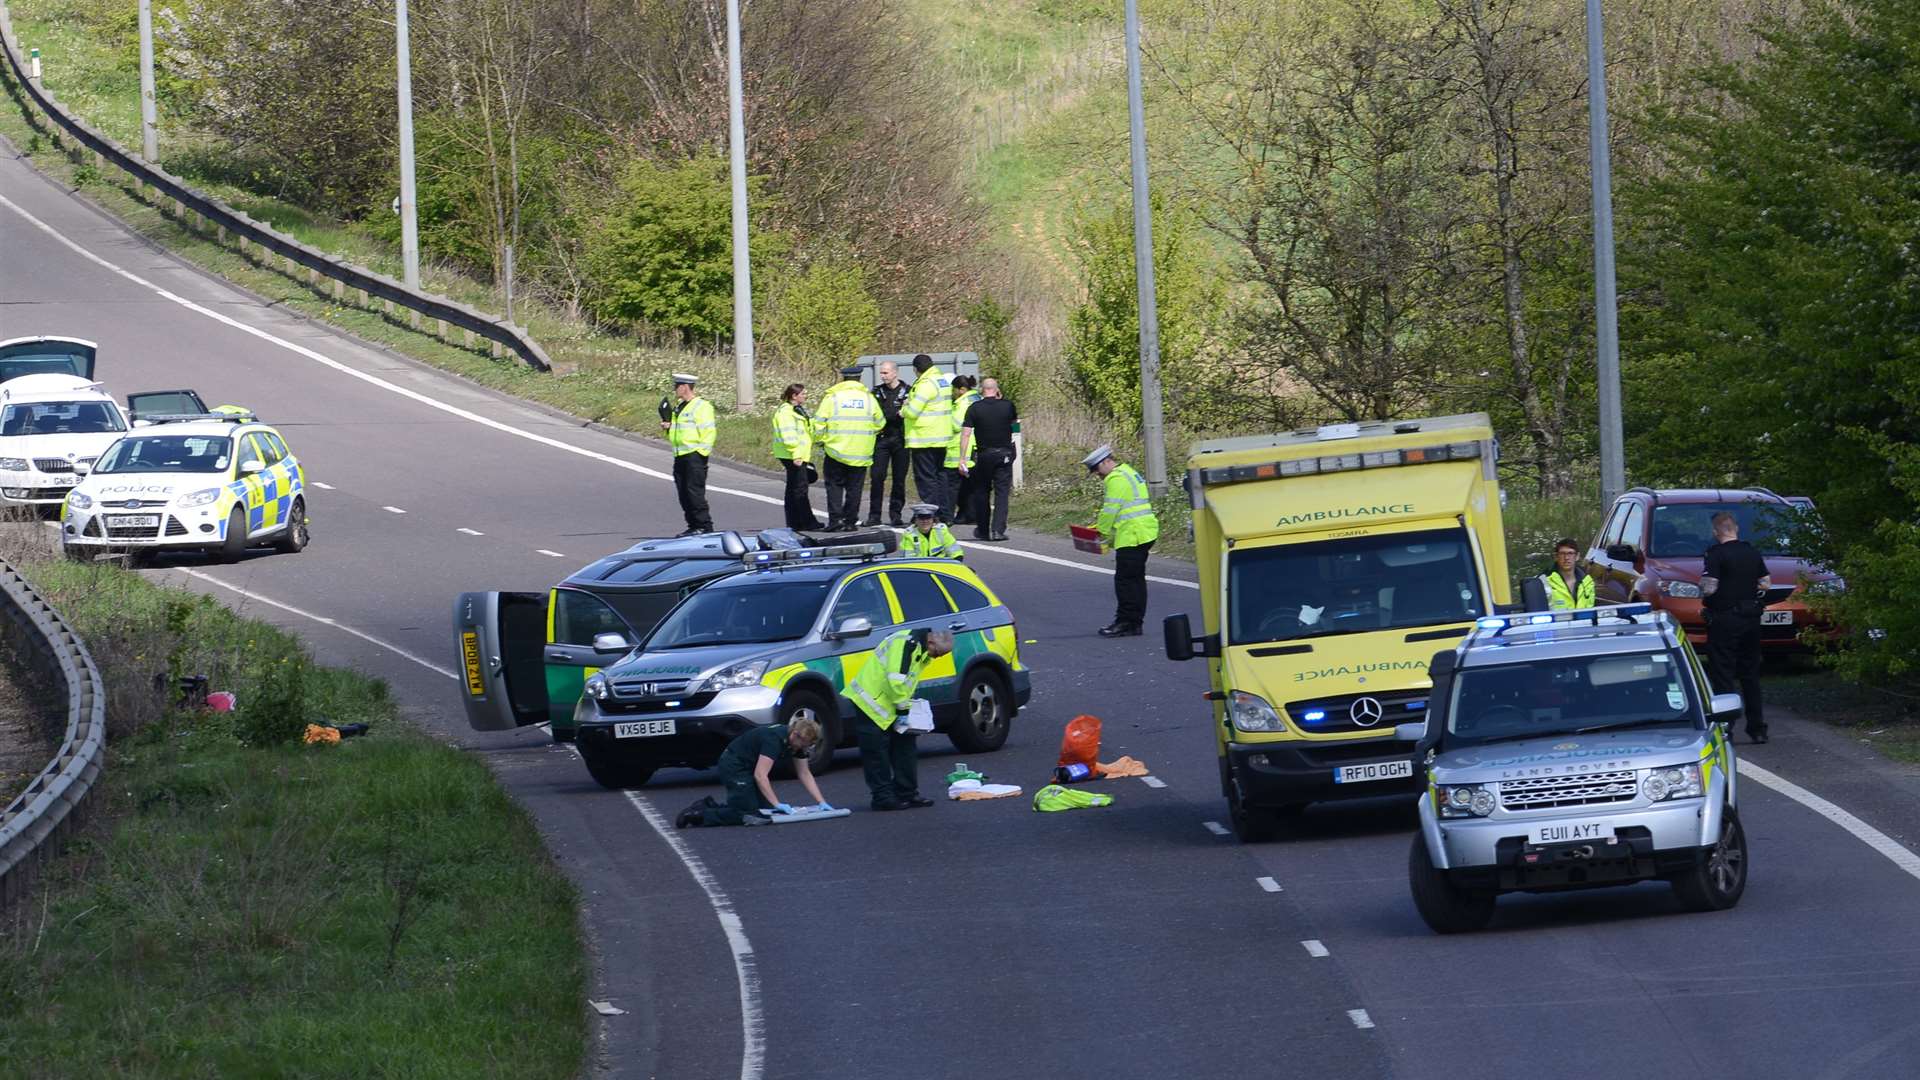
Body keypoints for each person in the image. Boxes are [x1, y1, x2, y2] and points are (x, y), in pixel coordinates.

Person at [848, 627, 953, 810]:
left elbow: (904, 682)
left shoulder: (920, 649)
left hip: (890, 704)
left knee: (905, 748)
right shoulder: (906, 644)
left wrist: (904, 708)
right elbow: (896, 681)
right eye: (937, 653)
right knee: (876, 752)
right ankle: (882, 798)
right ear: (931, 642)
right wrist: (903, 711)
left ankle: (907, 793)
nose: (937, 657)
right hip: (870, 702)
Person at [675, 717, 831, 827]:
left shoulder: (796, 743)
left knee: (764, 812)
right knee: (749, 816)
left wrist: (821, 802)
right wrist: (777, 803)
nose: (805, 749)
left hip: (748, 766)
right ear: (795, 735)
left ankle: (708, 805)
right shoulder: (774, 740)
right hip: (734, 764)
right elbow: (760, 775)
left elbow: (804, 773)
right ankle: (699, 816)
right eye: (804, 745)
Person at [1701, 509, 1771, 743]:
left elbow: (1710, 587)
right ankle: (1757, 728)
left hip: (1725, 619)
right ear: (1736, 529)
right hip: (1751, 619)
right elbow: (1766, 582)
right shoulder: (1751, 552)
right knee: (1750, 674)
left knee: (1723, 673)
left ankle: (1726, 727)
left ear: (1715, 532)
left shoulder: (1716, 554)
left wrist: (1702, 590)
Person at [1084, 445, 1159, 637]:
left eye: (1097, 470)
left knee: (1125, 582)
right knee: (1136, 581)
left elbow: (1110, 510)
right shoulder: (1129, 472)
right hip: (1144, 532)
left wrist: (1100, 531)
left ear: (1106, 462)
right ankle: (1135, 623)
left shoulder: (1115, 478)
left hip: (1132, 535)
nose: (1098, 475)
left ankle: (1125, 622)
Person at [814, 365, 883, 530]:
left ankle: (835, 521)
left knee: (834, 487)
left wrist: (821, 440)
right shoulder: (868, 399)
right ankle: (850, 522)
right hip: (860, 452)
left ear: (843, 378)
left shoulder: (833, 397)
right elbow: (880, 423)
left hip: (835, 450)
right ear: (859, 379)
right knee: (855, 489)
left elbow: (818, 423)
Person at [958, 377, 1017, 541]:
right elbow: (1014, 425)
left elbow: (966, 433)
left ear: (981, 391)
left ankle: (983, 529)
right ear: (997, 390)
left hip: (984, 455)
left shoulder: (974, 408)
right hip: (1004, 454)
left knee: (982, 492)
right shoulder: (1008, 406)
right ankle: (997, 530)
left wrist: (962, 458)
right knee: (1002, 493)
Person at [900, 354, 954, 522]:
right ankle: (945, 514)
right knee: (941, 477)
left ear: (916, 370)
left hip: (924, 437)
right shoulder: (941, 380)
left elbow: (914, 411)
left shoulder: (925, 384)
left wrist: (903, 411)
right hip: (941, 436)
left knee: (926, 479)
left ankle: (931, 514)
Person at [663, 373, 715, 536]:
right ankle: (693, 525)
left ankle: (704, 526)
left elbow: (708, 431)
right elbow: (679, 431)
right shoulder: (679, 407)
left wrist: (701, 453)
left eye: (676, 386)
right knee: (683, 492)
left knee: (694, 492)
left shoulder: (701, 406)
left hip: (694, 455)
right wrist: (668, 427)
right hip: (680, 454)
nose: (674, 389)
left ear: (684, 387)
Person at [771, 383, 824, 530]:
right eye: (803, 394)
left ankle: (794, 522)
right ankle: (807, 522)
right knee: (800, 489)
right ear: (794, 396)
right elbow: (788, 435)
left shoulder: (797, 410)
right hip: (792, 455)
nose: (805, 396)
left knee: (794, 488)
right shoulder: (786, 413)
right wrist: (796, 454)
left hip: (797, 454)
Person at [866, 360, 911, 528]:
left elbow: (908, 413)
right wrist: (896, 415)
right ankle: (874, 515)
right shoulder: (877, 392)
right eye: (881, 373)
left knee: (899, 479)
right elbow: (877, 415)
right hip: (882, 439)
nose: (883, 376)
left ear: (895, 373)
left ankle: (896, 514)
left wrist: (897, 414)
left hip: (901, 440)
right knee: (877, 477)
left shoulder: (908, 391)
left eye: (885, 373)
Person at [944, 375, 981, 526]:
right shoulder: (976, 399)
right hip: (974, 448)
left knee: (951, 486)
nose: (952, 393)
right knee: (969, 486)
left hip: (960, 449)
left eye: (953, 390)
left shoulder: (963, 403)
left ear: (962, 389)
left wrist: (944, 415)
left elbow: (956, 424)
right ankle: (969, 514)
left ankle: (948, 516)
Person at [1538, 538, 1597, 610]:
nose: (1566, 558)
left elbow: (1590, 610)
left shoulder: (1587, 582)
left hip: (1584, 621)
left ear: (1577, 556)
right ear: (1556, 556)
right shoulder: (1543, 581)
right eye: (1562, 553)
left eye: (1570, 553)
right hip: (1557, 621)